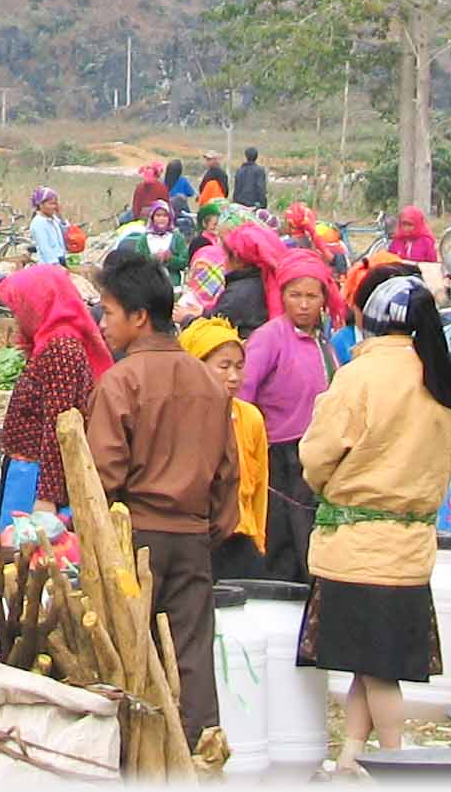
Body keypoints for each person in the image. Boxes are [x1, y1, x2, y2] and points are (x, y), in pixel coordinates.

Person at [296, 265, 451, 771]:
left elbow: (317, 456)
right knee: (368, 666)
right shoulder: (441, 377)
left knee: (379, 672)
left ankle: (396, 763)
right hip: (411, 546)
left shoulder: (361, 377)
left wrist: (333, 486)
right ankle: (353, 757)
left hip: (356, 547)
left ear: (368, 321)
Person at [85, 247, 238, 743]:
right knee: (192, 656)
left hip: (134, 538)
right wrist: (208, 529)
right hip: (194, 537)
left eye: (107, 312)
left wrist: (96, 535)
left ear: (139, 316)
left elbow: (102, 476)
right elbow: (228, 473)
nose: (102, 323)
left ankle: (133, 758)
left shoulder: (120, 381)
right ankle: (197, 755)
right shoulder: (210, 384)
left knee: (130, 655)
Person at [238, 239, 343, 582]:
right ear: (282, 296)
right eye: (295, 295)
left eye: (311, 297)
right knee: (282, 541)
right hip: (278, 457)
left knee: (309, 540)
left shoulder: (325, 343)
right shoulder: (270, 338)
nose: (302, 304)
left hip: (315, 454)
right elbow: (243, 394)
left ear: (323, 300)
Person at [0, 262, 114, 509]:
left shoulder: (60, 347)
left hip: (35, 479)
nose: (17, 318)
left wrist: (47, 498)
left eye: (20, 308)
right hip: (30, 473)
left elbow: (58, 426)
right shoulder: (53, 342)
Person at [179, 316, 268, 581]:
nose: (234, 376)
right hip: (195, 542)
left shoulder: (250, 417)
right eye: (224, 366)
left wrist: (258, 540)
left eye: (239, 367)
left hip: (241, 541)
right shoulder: (180, 418)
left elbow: (260, 488)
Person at [28, 187, 70, 270]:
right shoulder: (38, 223)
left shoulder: (53, 218)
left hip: (61, 258)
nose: (54, 207)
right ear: (40, 205)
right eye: (51, 204)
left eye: (55, 204)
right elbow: (45, 249)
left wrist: (60, 215)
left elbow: (65, 231)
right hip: (49, 265)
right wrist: (56, 266)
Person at [235, 148, 270, 213]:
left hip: (240, 205)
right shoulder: (259, 171)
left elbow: (236, 189)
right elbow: (261, 188)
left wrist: (235, 203)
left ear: (246, 156)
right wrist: (263, 204)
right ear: (256, 157)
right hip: (253, 206)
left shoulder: (239, 170)